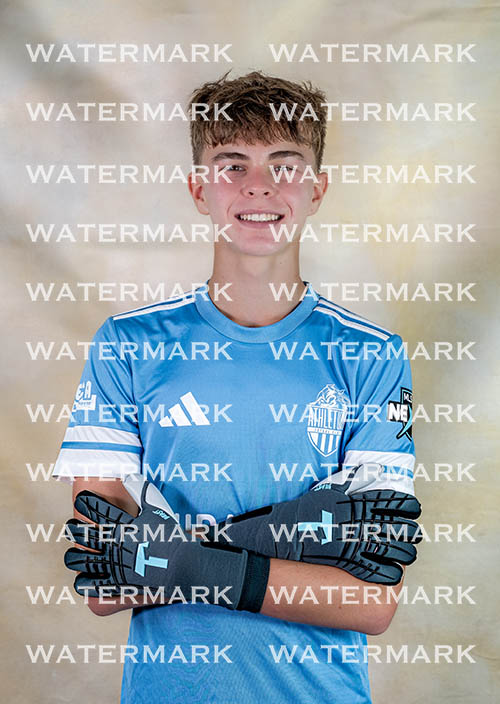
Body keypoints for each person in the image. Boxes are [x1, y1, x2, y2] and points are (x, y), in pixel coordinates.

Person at [53, 71, 420, 704]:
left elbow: (371, 602)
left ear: (317, 188)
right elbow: (106, 581)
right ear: (199, 187)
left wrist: (181, 558)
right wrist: (293, 536)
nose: (259, 185)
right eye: (232, 164)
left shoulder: (371, 354)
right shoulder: (128, 346)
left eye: (285, 164)